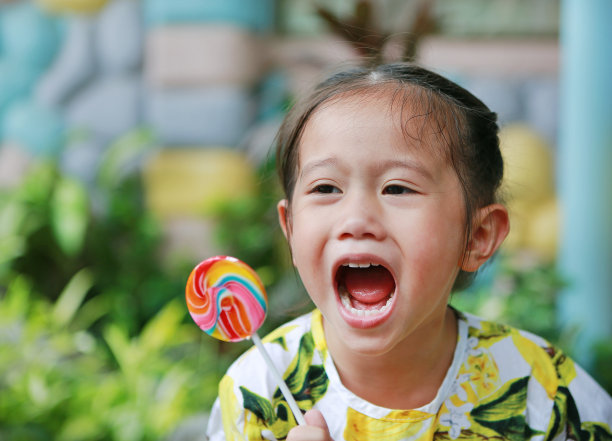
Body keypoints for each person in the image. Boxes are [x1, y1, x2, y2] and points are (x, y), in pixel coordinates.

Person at [206, 63, 612, 441]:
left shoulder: (545, 392)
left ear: (478, 235)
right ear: (291, 228)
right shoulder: (257, 393)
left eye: (398, 188)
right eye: (326, 188)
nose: (357, 219)